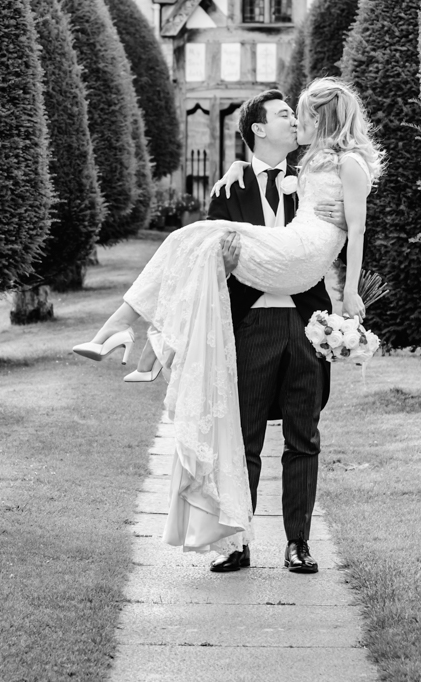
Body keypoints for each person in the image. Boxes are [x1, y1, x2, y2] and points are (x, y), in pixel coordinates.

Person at [71, 78, 383, 570]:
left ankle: (298, 543)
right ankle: (238, 542)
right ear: (257, 130)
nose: (294, 120)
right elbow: (210, 271)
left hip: (306, 321)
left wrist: (347, 276)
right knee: (245, 438)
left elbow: (350, 217)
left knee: (304, 437)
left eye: (297, 113)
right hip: (252, 324)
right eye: (284, 114)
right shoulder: (231, 185)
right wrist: (232, 248)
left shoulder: (313, 170)